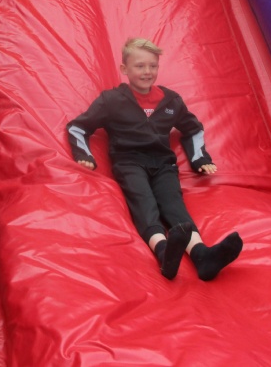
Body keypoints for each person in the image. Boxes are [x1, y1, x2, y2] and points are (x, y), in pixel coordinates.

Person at [66, 37, 243, 281]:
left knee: (173, 205)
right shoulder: (111, 100)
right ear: (124, 69)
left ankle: (202, 256)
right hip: (129, 162)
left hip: (163, 163)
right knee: (144, 201)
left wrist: (199, 158)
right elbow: (78, 127)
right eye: (140, 66)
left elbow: (193, 129)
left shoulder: (171, 101)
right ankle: (163, 251)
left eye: (152, 66)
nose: (147, 72)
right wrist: (84, 155)